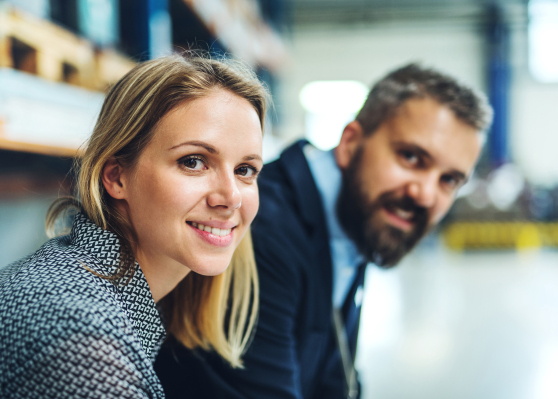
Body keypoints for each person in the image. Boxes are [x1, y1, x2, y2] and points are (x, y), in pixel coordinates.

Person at [154, 64, 493, 398]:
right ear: (350, 143)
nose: (426, 194)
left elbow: (335, 374)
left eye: (449, 180)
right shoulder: (258, 233)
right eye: (411, 158)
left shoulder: (358, 215)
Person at [0, 54, 269, 399]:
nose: (230, 197)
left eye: (245, 170)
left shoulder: (88, 286)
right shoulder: (87, 348)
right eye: (193, 162)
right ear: (116, 177)